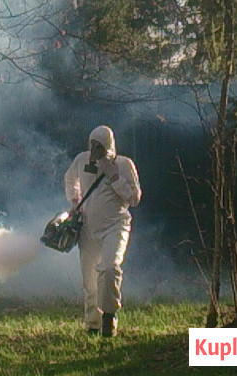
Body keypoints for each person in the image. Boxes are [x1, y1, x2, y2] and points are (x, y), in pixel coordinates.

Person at [64, 125, 141, 337]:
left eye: (100, 146)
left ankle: (109, 316)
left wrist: (114, 177)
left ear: (108, 145)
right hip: (88, 228)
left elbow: (134, 198)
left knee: (108, 269)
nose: (95, 149)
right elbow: (70, 178)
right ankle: (93, 324)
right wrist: (75, 200)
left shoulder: (123, 164)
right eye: (92, 145)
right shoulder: (82, 160)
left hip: (115, 226)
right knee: (90, 279)